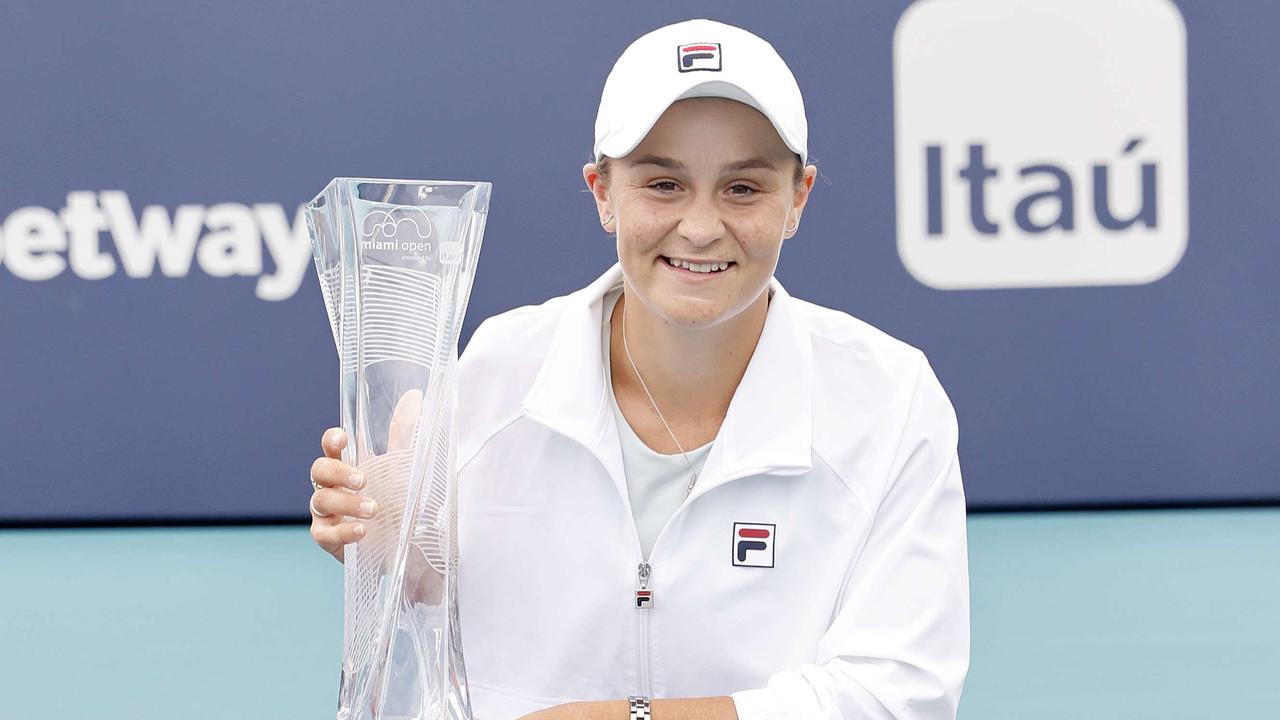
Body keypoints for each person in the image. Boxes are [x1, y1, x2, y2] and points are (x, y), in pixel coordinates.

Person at [308, 18, 969, 720]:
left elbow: (900, 696)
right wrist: (381, 540)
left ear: (797, 197)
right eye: (662, 184)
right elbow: (430, 605)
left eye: (743, 188)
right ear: (602, 192)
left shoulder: (891, 401)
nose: (701, 226)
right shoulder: (496, 371)